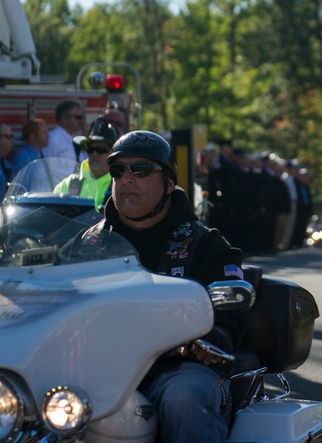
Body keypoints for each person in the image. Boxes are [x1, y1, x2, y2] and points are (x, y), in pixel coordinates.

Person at [97, 131, 248, 442]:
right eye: (118, 170)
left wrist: (213, 338)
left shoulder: (204, 243)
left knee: (184, 398)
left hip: (178, 368)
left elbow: (231, 308)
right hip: (99, 367)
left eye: (140, 170)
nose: (126, 179)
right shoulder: (88, 244)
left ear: (168, 183)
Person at [54, 120, 119, 210]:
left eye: (101, 149)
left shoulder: (119, 185)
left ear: (113, 154)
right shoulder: (70, 183)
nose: (94, 154)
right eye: (90, 149)